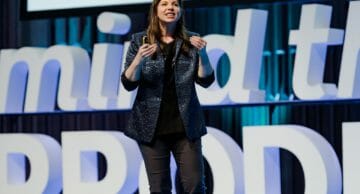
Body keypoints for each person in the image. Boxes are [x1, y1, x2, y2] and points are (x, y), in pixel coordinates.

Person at [121, 0, 214, 193]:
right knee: (159, 188)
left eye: (175, 4)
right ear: (155, 9)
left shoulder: (192, 40)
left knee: (195, 185)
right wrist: (138, 59)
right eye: (164, 4)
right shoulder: (140, 40)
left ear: (180, 11)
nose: (170, 8)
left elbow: (206, 80)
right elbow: (128, 83)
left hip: (186, 125)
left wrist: (203, 55)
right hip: (151, 127)